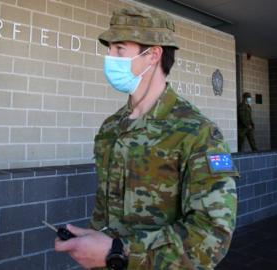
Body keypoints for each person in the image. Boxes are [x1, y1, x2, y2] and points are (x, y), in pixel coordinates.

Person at [54, 7, 239, 269]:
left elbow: (212, 234)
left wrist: (120, 253)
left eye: (119, 49)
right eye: (109, 49)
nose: (109, 57)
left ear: (153, 54)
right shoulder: (110, 129)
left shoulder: (197, 132)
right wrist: (94, 239)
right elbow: (104, 212)